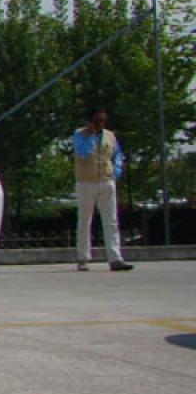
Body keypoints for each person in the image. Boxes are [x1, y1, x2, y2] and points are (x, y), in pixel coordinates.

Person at [72, 107, 133, 272]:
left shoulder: (110, 136)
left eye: (102, 121)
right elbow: (82, 152)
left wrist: (116, 171)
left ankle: (115, 258)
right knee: (85, 220)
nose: (99, 124)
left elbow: (117, 154)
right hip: (86, 182)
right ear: (90, 121)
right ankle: (83, 257)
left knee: (111, 220)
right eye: (96, 120)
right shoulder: (79, 134)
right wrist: (91, 135)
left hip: (106, 180)